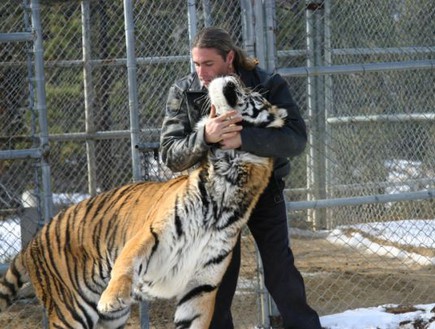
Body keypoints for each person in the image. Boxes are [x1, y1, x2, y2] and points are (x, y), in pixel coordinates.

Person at [160, 27, 322, 329]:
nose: (201, 73)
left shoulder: (268, 84)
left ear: (230, 58)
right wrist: (204, 137)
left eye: (208, 64)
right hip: (215, 201)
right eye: (196, 64)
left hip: (263, 190)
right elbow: (170, 154)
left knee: (280, 270)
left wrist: (242, 138)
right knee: (218, 277)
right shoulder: (184, 91)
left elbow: (295, 139)